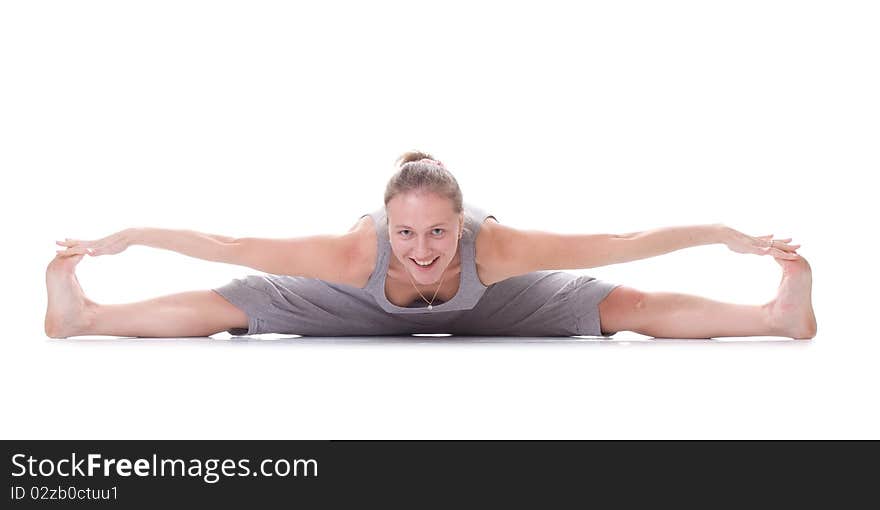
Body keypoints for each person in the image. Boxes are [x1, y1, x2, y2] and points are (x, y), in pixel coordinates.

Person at [45, 151, 817, 339]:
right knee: (239, 305)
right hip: (357, 307)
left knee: (623, 308)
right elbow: (233, 241)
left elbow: (620, 241)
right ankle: (83, 316)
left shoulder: (498, 248)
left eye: (438, 232)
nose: (421, 248)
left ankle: (777, 317)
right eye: (406, 232)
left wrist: (722, 235)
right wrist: (132, 237)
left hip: (498, 306)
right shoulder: (357, 256)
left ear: (462, 224)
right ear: (385, 226)